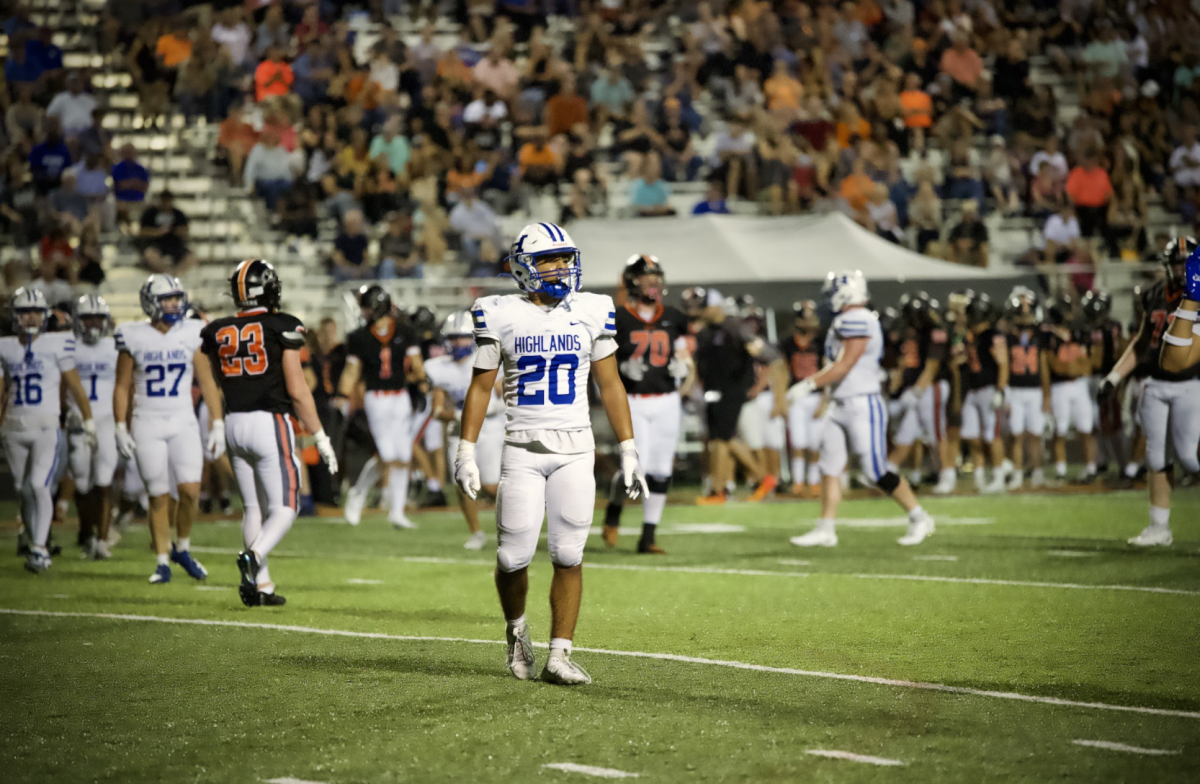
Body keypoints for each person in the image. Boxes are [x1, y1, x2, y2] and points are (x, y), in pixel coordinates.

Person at [454, 221, 649, 685]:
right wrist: (465, 450)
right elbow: (481, 388)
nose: (561, 267)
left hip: (576, 448)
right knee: (510, 558)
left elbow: (611, 383)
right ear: (524, 267)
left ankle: (560, 654)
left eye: (565, 258)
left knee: (569, 552)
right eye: (549, 260)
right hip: (521, 449)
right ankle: (517, 630)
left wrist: (628, 448)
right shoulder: (499, 312)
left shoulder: (592, 308)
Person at [200, 260, 337, 607]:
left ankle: (261, 587)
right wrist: (320, 436)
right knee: (287, 506)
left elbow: (220, 380)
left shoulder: (217, 330)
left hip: (234, 422)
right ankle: (254, 556)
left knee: (252, 508)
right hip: (268, 422)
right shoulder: (282, 325)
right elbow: (298, 389)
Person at [789, 271, 936, 548]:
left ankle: (919, 517)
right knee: (829, 466)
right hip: (840, 402)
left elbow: (845, 364)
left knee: (875, 470)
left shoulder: (858, 318)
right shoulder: (844, 320)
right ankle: (826, 527)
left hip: (862, 402)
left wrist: (809, 385)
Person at [113, 274, 224, 583]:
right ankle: (162, 560)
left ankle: (183, 547)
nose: (174, 304)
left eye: (176, 297)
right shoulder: (132, 335)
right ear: (151, 302)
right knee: (158, 495)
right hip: (147, 421)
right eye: (167, 299)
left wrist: (217, 423)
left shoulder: (191, 331)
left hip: (183, 419)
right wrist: (120, 426)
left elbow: (207, 381)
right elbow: (122, 386)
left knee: (190, 491)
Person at [1098, 238, 1200, 546]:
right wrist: (1115, 377)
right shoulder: (1154, 294)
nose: (1182, 270)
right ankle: (1159, 527)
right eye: (1178, 264)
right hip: (1155, 383)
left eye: (1187, 264)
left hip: (1189, 382)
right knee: (1156, 455)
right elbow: (1142, 342)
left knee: (1189, 456)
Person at [0, 288, 97, 573]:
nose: (30, 317)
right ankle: (34, 542)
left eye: (36, 312)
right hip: (14, 427)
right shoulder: (5, 346)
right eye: (24, 312)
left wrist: (88, 419)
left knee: (39, 485)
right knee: (23, 489)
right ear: (15, 316)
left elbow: (75, 385)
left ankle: (40, 548)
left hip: (46, 426)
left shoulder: (57, 343)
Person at [603, 254, 694, 554]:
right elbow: (602, 363)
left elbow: (684, 358)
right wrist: (621, 369)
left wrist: (685, 374)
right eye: (646, 278)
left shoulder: (674, 316)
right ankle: (614, 508)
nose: (653, 284)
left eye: (656, 279)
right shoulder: (617, 316)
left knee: (661, 470)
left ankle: (648, 535)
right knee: (634, 466)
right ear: (632, 282)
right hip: (633, 400)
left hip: (666, 399)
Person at [337, 285, 426, 529]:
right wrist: (343, 395)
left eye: (366, 307)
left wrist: (423, 385)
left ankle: (396, 512)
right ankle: (358, 492)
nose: (364, 312)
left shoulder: (405, 332)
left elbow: (417, 365)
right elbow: (352, 370)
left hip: (400, 397)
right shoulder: (359, 337)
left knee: (403, 455)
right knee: (387, 455)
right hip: (376, 397)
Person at [425, 311, 505, 550]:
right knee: (463, 483)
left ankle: (521, 515)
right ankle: (477, 532)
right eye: (453, 337)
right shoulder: (437, 367)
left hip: (490, 427)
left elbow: (507, 392)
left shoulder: (489, 359)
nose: (457, 342)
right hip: (460, 430)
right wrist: (462, 414)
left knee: (491, 485)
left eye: (461, 337)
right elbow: (437, 411)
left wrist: (496, 405)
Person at [66, 295, 118, 560]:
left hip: (107, 420)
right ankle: (87, 532)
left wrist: (123, 423)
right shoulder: (69, 347)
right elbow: (61, 386)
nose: (94, 323)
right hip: (78, 422)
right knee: (83, 484)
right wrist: (65, 413)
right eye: (89, 318)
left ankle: (102, 539)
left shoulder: (114, 347)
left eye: (99, 318)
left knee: (104, 482)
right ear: (78, 321)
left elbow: (124, 386)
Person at [958, 293, 1010, 493]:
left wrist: (1000, 390)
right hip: (973, 391)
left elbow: (1003, 364)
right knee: (972, 436)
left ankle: (998, 477)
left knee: (992, 436)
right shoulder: (972, 336)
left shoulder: (993, 335)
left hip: (989, 389)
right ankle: (979, 478)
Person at [1044, 296, 1097, 484]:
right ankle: (1060, 469)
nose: (1070, 315)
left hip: (1079, 385)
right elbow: (1055, 366)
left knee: (1086, 428)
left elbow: (1088, 365)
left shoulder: (1078, 333)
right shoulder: (1050, 336)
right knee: (1060, 430)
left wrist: (1071, 367)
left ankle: (1091, 468)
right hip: (1060, 387)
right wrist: (1075, 366)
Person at [1003, 288, 1051, 490]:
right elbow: (1005, 363)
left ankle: (1037, 473)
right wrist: (1004, 390)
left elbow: (1044, 366)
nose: (1024, 316)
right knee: (1016, 435)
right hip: (1015, 390)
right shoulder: (1008, 337)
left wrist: (1047, 394)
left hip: (1034, 391)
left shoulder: (1040, 335)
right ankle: (1017, 474)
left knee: (1035, 435)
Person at [782, 300, 824, 497]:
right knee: (799, 441)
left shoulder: (821, 342)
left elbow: (827, 370)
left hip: (816, 396)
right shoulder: (788, 343)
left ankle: (814, 481)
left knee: (815, 442)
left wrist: (825, 400)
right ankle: (798, 480)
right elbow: (782, 371)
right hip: (796, 397)